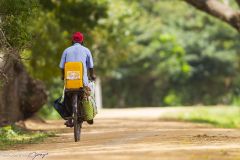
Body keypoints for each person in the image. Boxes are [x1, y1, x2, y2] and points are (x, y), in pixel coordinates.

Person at [59, 32, 96, 127]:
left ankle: (69, 119)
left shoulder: (66, 50)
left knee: (67, 97)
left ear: (72, 40)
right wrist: (92, 75)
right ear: (82, 41)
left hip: (69, 81)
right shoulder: (86, 50)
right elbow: (91, 66)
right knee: (88, 95)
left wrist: (63, 76)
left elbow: (62, 66)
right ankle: (89, 115)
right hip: (82, 81)